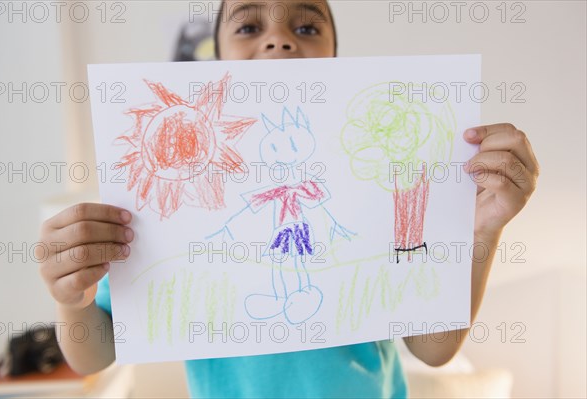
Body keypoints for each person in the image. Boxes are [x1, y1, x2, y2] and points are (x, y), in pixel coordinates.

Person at [37, 0, 539, 397]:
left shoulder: (386, 179)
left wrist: (484, 230)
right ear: (216, 56)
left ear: (336, 62)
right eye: (248, 26)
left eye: (305, 28)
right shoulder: (165, 191)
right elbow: (93, 355)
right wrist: (72, 299)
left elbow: (433, 350)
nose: (278, 40)